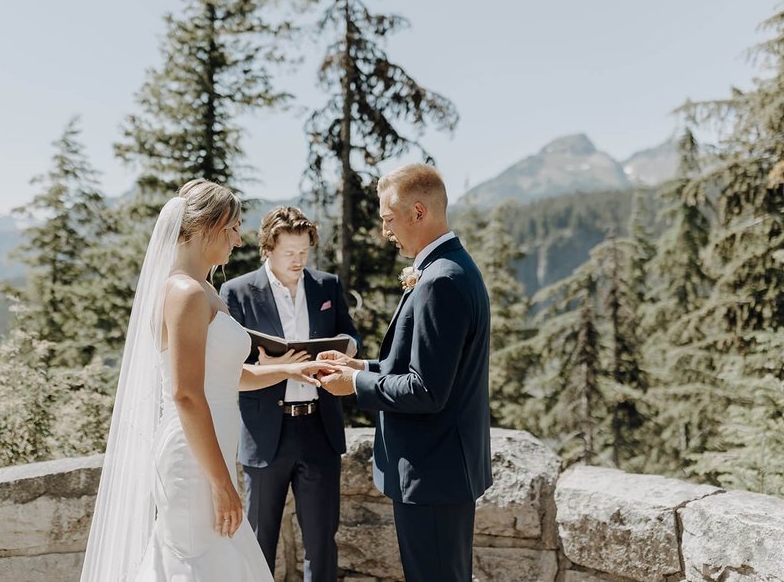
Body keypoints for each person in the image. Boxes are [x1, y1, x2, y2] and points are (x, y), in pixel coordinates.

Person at [80, 180, 340, 581]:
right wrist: (221, 483)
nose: (238, 241)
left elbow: (226, 376)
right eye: (233, 228)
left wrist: (288, 369)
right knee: (196, 560)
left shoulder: (205, 291)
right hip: (192, 456)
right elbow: (185, 393)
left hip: (213, 446)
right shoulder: (184, 293)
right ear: (208, 227)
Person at [317, 163, 493, 582]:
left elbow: (426, 390)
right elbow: (425, 368)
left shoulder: (440, 281)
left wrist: (354, 384)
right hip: (442, 470)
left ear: (419, 212)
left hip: (432, 473)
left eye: (388, 219)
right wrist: (360, 366)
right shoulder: (450, 267)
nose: (385, 231)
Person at [219, 206, 361, 582]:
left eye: (304, 252)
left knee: (321, 541)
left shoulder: (327, 286)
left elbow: (351, 336)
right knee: (257, 540)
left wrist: (344, 351)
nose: (298, 260)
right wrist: (266, 364)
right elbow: (226, 363)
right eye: (289, 253)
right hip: (266, 432)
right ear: (268, 248)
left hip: (320, 429)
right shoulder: (236, 292)